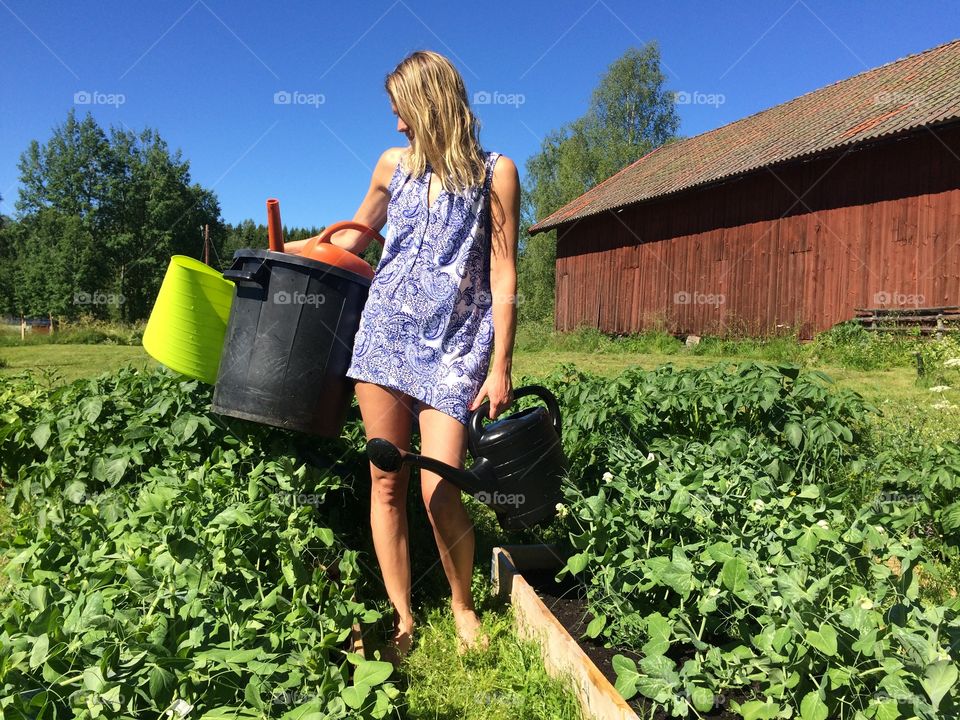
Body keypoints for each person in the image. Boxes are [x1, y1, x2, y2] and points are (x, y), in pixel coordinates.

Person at [326, 50, 520, 666]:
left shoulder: (498, 174)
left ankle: (462, 605)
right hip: (384, 338)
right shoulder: (393, 165)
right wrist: (301, 251)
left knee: (442, 487)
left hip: (457, 347)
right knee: (387, 480)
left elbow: (504, 272)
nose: (398, 126)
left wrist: (500, 366)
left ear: (430, 105)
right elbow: (357, 233)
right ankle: (404, 616)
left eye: (403, 114)